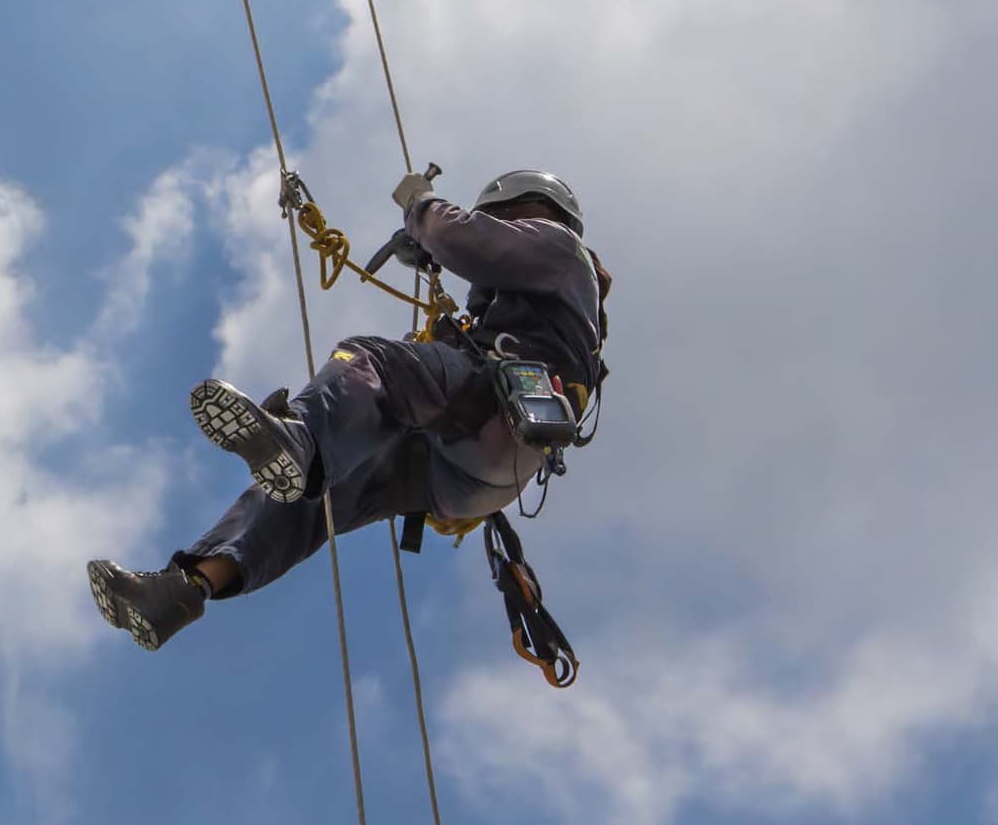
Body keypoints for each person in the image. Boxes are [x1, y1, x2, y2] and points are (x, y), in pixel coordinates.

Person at [88, 166, 610, 651]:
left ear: (517, 211)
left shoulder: (560, 247)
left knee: (371, 362)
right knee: (317, 495)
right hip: (475, 473)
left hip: (488, 411)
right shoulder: (554, 301)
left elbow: (462, 238)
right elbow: (482, 287)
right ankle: (186, 589)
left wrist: (421, 207)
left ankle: (301, 439)